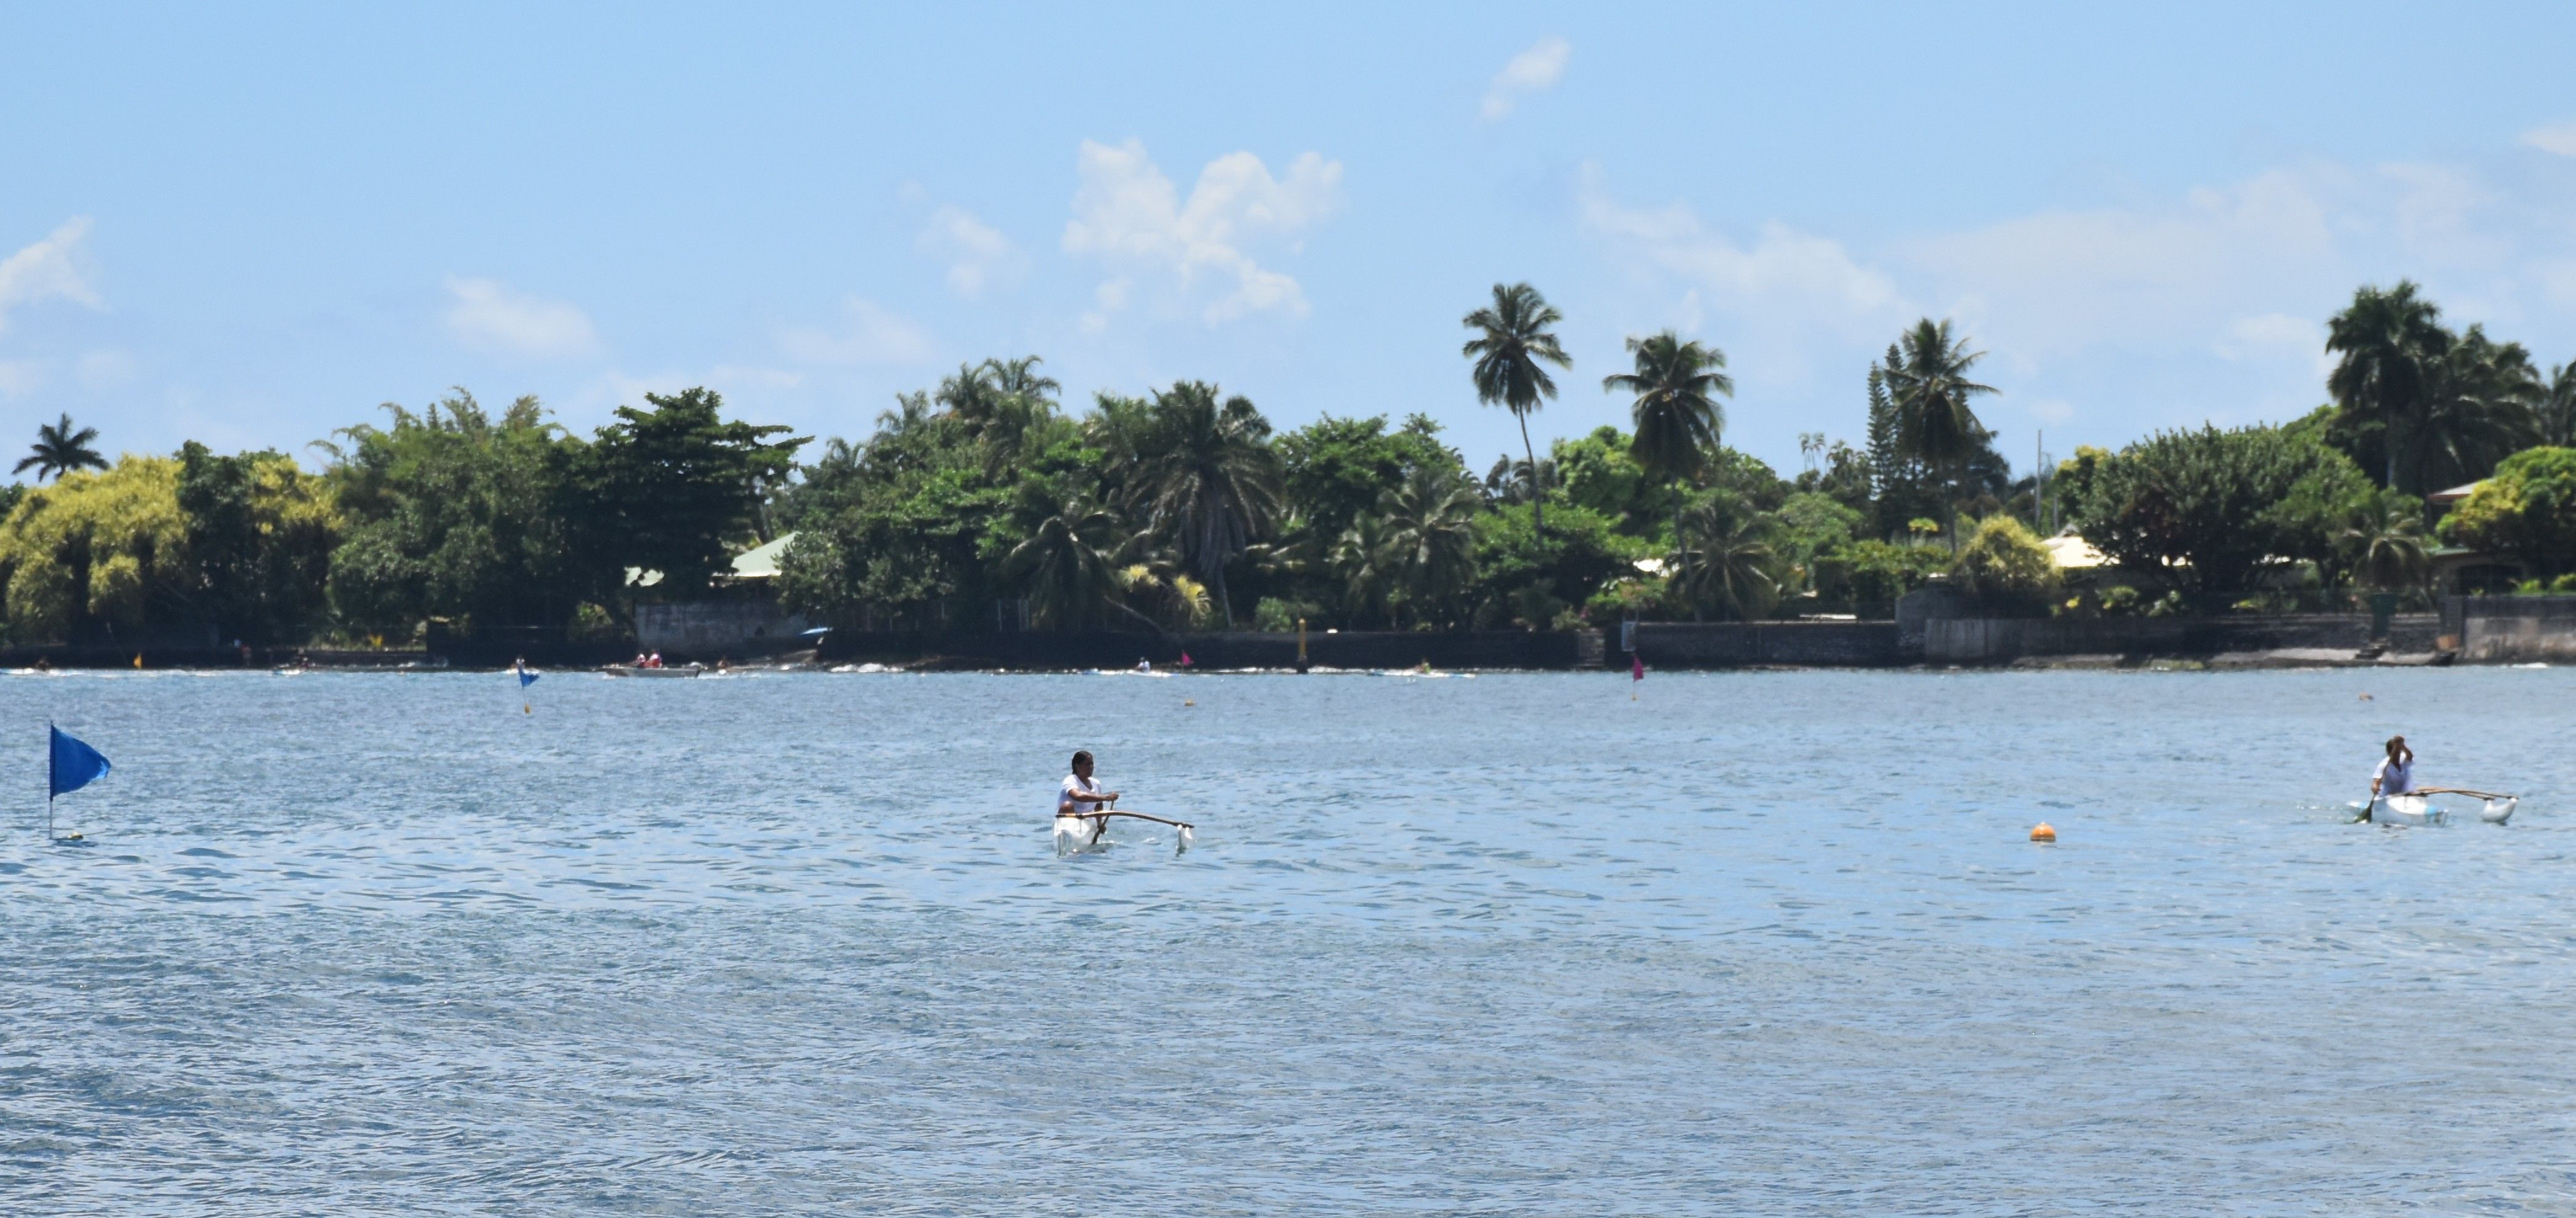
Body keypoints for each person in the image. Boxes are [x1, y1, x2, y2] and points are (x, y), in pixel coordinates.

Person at [1058, 750, 1120, 819]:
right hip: (1068, 821)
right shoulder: (1070, 780)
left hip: (1086, 823)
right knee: (1067, 806)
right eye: (1087, 764)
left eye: (1092, 764)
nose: (1091, 767)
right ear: (1077, 767)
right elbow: (1078, 796)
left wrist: (1100, 824)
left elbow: (1098, 806)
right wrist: (1106, 798)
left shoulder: (1096, 783)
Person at [2372, 735, 2417, 802]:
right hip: (2388, 797)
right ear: (2390, 753)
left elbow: (2410, 756)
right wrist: (2375, 787)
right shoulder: (2383, 765)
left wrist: (2402, 745)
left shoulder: (2403, 758)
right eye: (2396, 752)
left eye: (2399, 751)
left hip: (2405, 795)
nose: (2398, 754)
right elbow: (2376, 782)